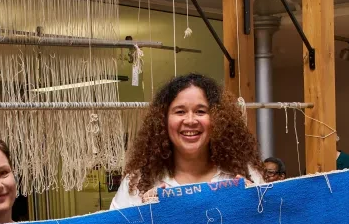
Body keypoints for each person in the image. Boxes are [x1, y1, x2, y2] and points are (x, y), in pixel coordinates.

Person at [111, 73, 263, 209]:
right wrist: (142, 217)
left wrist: (254, 206)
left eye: (200, 111)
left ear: (218, 119)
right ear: (163, 120)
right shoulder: (137, 182)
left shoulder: (247, 175)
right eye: (180, 112)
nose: (190, 120)